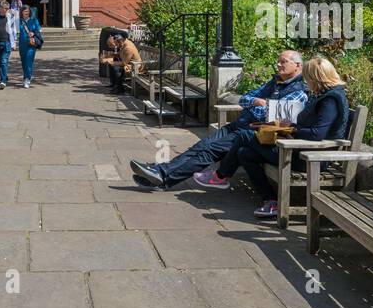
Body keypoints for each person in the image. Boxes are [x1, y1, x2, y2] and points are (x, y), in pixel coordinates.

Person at [129, 49, 307, 189]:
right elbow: (245, 98)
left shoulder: (298, 91)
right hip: (240, 124)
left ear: (297, 65)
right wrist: (256, 102)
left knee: (209, 151)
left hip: (254, 133)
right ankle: (160, 171)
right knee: (200, 146)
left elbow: (274, 116)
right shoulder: (275, 82)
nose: (278, 65)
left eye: (283, 62)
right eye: (278, 61)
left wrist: (261, 104)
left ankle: (162, 178)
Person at [202, 55, 350, 219]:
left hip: (310, 158)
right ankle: (271, 201)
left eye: (307, 77)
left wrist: (292, 129)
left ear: (317, 77)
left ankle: (221, 176)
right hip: (299, 150)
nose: (306, 81)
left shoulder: (330, 100)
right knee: (244, 153)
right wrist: (285, 126)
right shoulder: (323, 95)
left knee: (244, 136)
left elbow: (317, 133)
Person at [18, 4, 43, 88]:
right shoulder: (19, 21)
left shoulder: (34, 20)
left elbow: (39, 29)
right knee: (24, 62)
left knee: (29, 61)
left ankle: (27, 79)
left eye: (28, 11)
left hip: (31, 44)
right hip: (22, 44)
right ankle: (26, 76)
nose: (26, 13)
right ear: (21, 12)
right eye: (25, 11)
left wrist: (34, 32)